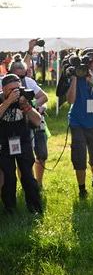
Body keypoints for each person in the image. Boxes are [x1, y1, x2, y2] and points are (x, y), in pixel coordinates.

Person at [66, 48, 93, 198]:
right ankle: (81, 188)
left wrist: (91, 81)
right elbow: (70, 100)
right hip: (77, 121)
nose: (91, 62)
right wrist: (74, 78)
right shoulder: (76, 76)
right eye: (88, 59)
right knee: (79, 154)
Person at [0, 74, 43, 214]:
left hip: (23, 141)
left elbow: (37, 121)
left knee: (27, 176)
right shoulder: (1, 99)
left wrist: (26, 106)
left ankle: (35, 207)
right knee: (8, 177)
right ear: (4, 89)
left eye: (18, 88)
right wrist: (8, 102)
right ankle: (10, 208)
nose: (16, 92)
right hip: (4, 144)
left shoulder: (24, 97)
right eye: (12, 89)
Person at [5, 55, 49, 188]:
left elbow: (44, 97)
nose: (21, 80)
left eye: (23, 76)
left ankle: (38, 184)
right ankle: (27, 185)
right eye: (18, 76)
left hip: (34, 121)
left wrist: (32, 104)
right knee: (22, 159)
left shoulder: (29, 82)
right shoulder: (4, 84)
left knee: (41, 154)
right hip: (16, 126)